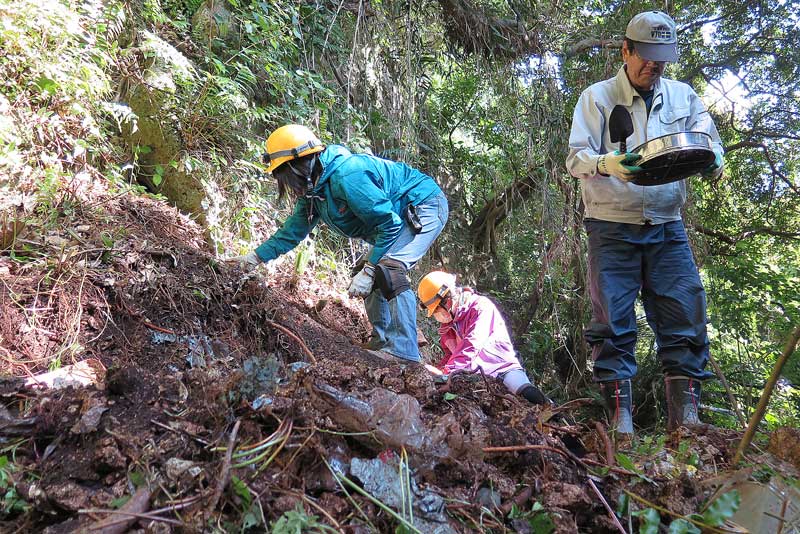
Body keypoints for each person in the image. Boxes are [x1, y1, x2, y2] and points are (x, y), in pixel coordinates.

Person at [565, 11, 724, 436]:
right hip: (610, 226)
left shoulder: (683, 97)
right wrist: (607, 163)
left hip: (667, 225)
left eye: (662, 59)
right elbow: (575, 158)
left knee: (685, 315)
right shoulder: (596, 98)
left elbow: (707, 140)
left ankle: (686, 426)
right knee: (612, 323)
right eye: (647, 57)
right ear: (626, 50)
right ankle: (621, 427)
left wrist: (715, 159)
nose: (654, 66)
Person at [232, 124, 448, 364]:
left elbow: (390, 224)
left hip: (423, 205)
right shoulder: (314, 194)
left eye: (286, 176)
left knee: (388, 268)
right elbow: (290, 233)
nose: (288, 185)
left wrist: (370, 269)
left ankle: (404, 350)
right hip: (397, 217)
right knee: (372, 270)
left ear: (301, 164)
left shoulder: (348, 176)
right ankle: (383, 341)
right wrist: (254, 258)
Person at [416, 271, 550, 405]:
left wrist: (447, 374)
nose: (437, 315)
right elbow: (450, 356)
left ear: (448, 301)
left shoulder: (480, 307)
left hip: (501, 369)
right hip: (474, 375)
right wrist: (438, 371)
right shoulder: (447, 325)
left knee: (526, 392)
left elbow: (471, 346)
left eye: (437, 311)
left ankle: (553, 411)